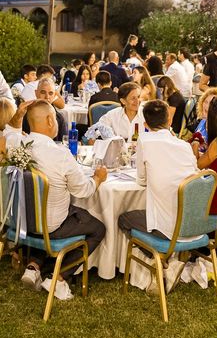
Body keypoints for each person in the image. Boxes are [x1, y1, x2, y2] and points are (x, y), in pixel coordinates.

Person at [10, 100, 107, 300]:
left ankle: (34, 266)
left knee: (64, 210)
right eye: (55, 118)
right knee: (97, 228)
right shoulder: (59, 154)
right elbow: (84, 191)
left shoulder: (16, 145)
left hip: (20, 222)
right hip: (50, 227)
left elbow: (9, 133)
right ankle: (59, 277)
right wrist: (98, 177)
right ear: (49, 120)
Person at [117, 100, 198, 293]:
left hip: (167, 228)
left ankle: (160, 260)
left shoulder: (145, 141)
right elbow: (196, 178)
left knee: (123, 218)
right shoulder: (184, 146)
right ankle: (168, 262)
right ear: (169, 120)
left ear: (145, 124)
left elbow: (142, 181)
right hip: (193, 223)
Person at [22, 78, 67, 142]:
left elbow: (63, 142)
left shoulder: (59, 118)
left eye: (50, 93)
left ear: (54, 96)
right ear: (36, 93)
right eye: (43, 92)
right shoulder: (26, 116)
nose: (47, 97)